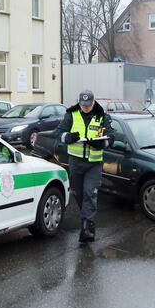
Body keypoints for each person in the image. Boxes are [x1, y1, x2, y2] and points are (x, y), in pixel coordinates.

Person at [55, 89, 111, 244]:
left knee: (89, 194)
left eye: (88, 105)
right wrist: (68, 137)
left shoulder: (102, 117)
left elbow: (111, 138)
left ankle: (87, 228)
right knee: (78, 193)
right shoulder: (71, 115)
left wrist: (102, 143)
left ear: (94, 102)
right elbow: (58, 133)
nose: (85, 107)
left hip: (94, 164)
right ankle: (87, 218)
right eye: (83, 105)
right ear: (79, 102)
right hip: (76, 162)